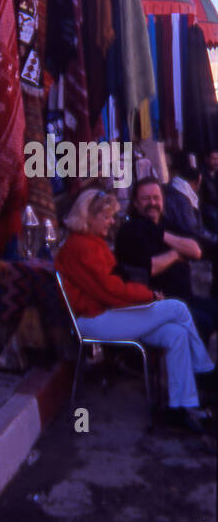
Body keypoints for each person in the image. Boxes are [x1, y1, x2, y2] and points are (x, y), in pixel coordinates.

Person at [56, 188, 214, 433]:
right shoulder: (81, 247)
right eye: (106, 217)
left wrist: (145, 297)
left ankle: (181, 407)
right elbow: (111, 291)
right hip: (94, 319)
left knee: (176, 334)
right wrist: (149, 295)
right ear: (89, 217)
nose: (111, 222)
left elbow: (114, 288)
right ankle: (205, 372)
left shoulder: (92, 243)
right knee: (177, 308)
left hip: (107, 313)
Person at [115, 177, 217, 340]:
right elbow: (151, 268)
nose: (152, 203)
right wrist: (176, 254)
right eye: (145, 199)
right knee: (203, 323)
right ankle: (191, 365)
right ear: (135, 203)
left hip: (185, 298)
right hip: (158, 305)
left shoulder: (166, 223)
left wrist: (161, 234)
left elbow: (195, 250)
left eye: (156, 198)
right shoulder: (131, 230)